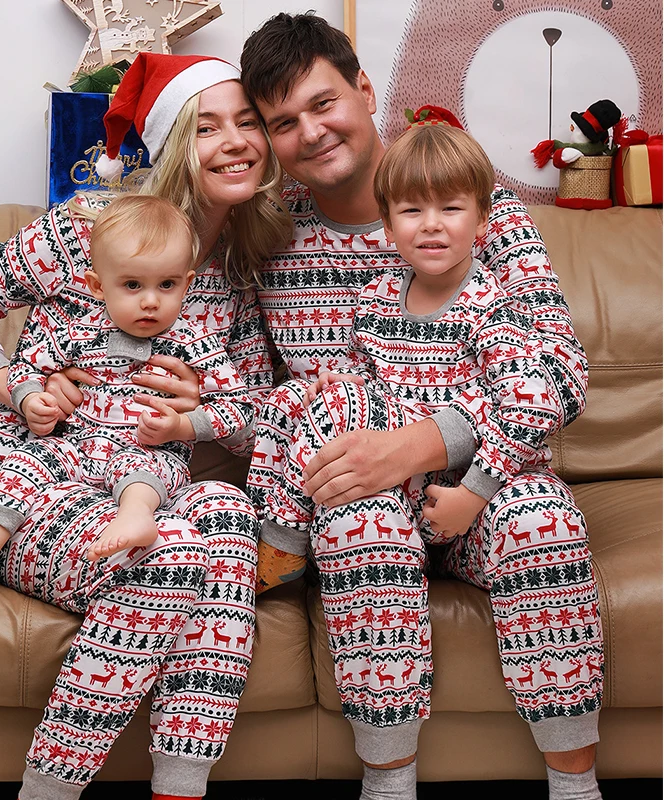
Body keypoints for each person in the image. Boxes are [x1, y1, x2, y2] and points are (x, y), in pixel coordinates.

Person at [240, 12, 603, 800]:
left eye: (323, 102)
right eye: (283, 123)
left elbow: (559, 373)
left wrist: (423, 445)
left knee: (544, 513)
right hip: (355, 497)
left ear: (365, 89)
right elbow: (268, 399)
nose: (310, 133)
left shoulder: (476, 209)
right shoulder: (271, 235)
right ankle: (388, 781)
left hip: (488, 482)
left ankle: (577, 781)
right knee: (357, 520)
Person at [0, 52, 291, 800]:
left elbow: (255, 420)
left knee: (224, 513)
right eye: (207, 126)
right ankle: (49, 790)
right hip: (15, 477)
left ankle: (179, 786)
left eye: (248, 122)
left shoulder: (231, 275)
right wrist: (20, 386)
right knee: (175, 554)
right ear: (175, 142)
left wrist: (195, 414)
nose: (236, 141)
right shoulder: (77, 235)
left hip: (135, 484)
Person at [258, 121, 562, 570]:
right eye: (412, 211)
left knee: (544, 516)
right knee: (295, 398)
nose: (432, 225)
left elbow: (535, 405)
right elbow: (370, 375)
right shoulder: (377, 298)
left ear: (482, 220)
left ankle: (285, 547)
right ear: (388, 224)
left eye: (451, 208)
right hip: (397, 494)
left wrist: (474, 492)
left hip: (467, 499)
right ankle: (281, 537)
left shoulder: (492, 306)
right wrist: (347, 383)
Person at [0, 194, 256, 598]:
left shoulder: (195, 341)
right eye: (133, 285)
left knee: (175, 486)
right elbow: (29, 363)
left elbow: (242, 409)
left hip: (143, 449)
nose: (150, 301)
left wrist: (185, 423)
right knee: (26, 462)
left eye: (166, 285)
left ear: (187, 283)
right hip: (72, 444)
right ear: (97, 286)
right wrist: (28, 396)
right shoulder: (80, 330)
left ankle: (135, 516)